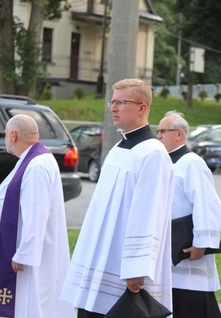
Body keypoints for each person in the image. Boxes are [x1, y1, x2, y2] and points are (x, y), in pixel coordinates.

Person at [61, 79, 174, 317]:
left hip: (124, 265)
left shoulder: (152, 153)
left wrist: (137, 268)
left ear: (142, 108)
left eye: (121, 102)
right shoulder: (118, 148)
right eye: (112, 101)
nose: (113, 108)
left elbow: (149, 212)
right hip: (101, 253)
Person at [0, 114, 74, 318]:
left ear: (13, 135)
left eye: (5, 134)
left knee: (30, 303)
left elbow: (36, 210)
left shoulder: (36, 165)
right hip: (27, 250)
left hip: (28, 257)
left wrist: (25, 252)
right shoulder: (34, 159)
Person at [157, 111, 221, 318]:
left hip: (188, 249)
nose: (158, 136)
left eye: (162, 131)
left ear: (179, 134)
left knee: (191, 303)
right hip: (169, 244)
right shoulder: (165, 162)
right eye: (157, 131)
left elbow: (207, 203)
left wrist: (201, 243)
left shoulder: (192, 162)